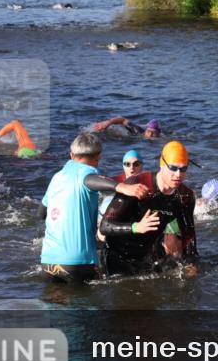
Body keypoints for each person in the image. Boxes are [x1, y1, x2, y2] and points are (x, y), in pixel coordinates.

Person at [38, 133, 149, 283]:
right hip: (77, 263)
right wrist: (123, 187)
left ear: (71, 155)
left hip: (48, 262)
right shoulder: (88, 172)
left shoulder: (56, 177)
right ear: (98, 157)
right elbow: (91, 181)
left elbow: (41, 213)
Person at [99, 141, 198, 277]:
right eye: (173, 168)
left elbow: (189, 237)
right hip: (116, 256)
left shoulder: (185, 196)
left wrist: (190, 264)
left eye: (183, 169)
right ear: (162, 165)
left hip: (146, 258)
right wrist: (136, 227)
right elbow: (104, 226)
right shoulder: (137, 185)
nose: (178, 174)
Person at [88, 116, 161, 139]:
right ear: (146, 131)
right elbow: (123, 119)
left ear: (158, 134)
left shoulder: (161, 138)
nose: (150, 135)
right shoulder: (138, 131)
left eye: (153, 133)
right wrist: (108, 123)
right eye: (149, 132)